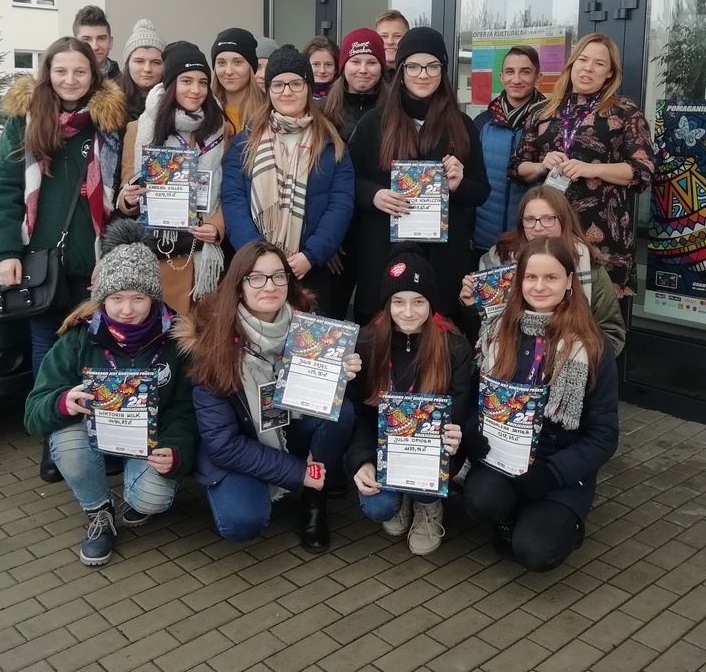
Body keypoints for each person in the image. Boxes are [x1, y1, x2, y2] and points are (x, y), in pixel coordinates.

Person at [0, 37, 126, 481]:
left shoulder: (109, 123)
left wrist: (114, 251)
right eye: (61, 70)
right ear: (47, 72)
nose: (70, 79)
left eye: (80, 71)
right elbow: (4, 189)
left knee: (97, 353)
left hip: (95, 261)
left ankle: (103, 440)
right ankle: (53, 442)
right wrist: (6, 251)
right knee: (48, 355)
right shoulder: (25, 120)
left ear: (93, 75)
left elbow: (121, 194)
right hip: (39, 263)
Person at [23, 220, 195, 566]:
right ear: (102, 298)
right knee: (66, 441)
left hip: (151, 439)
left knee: (153, 498)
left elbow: (185, 409)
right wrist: (62, 402)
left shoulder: (178, 340)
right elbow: (33, 412)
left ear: (153, 297)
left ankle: (135, 492)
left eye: (138, 298)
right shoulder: (78, 338)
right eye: (116, 298)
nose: (127, 309)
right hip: (90, 436)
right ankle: (99, 511)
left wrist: (177, 450)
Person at [175, 242, 360, 552]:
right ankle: (282, 479)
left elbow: (324, 403)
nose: (270, 286)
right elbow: (223, 445)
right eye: (257, 278)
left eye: (278, 276)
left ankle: (314, 501)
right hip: (238, 446)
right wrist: (299, 472)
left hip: (287, 428)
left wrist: (340, 377)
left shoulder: (311, 329)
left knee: (342, 412)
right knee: (242, 521)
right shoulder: (213, 343)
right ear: (239, 285)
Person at [463, 237, 619, 573]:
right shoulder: (497, 332)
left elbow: (604, 435)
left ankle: (558, 522)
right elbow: (479, 401)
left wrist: (553, 473)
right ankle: (512, 512)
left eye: (551, 277)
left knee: (536, 551)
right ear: (519, 281)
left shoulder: (592, 346)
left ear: (569, 282)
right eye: (531, 277)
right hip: (504, 456)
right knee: (479, 501)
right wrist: (473, 430)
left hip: (557, 464)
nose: (539, 286)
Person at [349, 27, 490, 327]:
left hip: (443, 254)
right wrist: (374, 195)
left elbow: (481, 191)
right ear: (401, 70)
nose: (422, 75)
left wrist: (459, 185)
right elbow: (350, 181)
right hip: (384, 247)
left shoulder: (462, 124)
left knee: (440, 334)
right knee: (384, 330)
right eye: (413, 66)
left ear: (443, 70)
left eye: (432, 66)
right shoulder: (374, 122)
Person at [509, 33, 655, 298]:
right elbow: (517, 168)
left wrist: (593, 169)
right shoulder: (542, 111)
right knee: (545, 302)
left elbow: (643, 169)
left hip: (602, 235)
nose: (588, 68)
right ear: (572, 64)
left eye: (599, 63)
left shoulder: (624, 112)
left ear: (610, 72)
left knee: (599, 314)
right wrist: (541, 165)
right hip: (547, 231)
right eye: (583, 60)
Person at [345, 251, 471, 556]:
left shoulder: (454, 346)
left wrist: (453, 437)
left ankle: (428, 504)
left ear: (431, 303)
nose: (409, 312)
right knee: (379, 507)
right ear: (387, 304)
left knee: (429, 474)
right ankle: (399, 496)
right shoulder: (366, 342)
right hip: (384, 447)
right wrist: (363, 460)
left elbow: (457, 408)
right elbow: (359, 412)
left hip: (430, 449)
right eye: (398, 302)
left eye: (419, 301)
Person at [222, 45, 354, 310]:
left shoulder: (331, 144)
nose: (287, 92)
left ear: (308, 88)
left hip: (308, 268)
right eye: (278, 85)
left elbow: (341, 204)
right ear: (268, 90)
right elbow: (233, 199)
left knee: (307, 334)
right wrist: (258, 256)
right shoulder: (245, 142)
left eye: (295, 83)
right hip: (255, 270)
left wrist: (311, 254)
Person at [117, 41, 227, 315]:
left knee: (196, 331)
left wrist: (216, 226)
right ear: (169, 85)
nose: (196, 90)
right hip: (157, 251)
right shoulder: (138, 129)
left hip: (200, 250)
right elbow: (126, 189)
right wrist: (128, 198)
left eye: (203, 82)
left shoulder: (220, 129)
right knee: (160, 329)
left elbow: (231, 191)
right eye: (186, 81)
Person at [461, 186, 625, 355]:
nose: (538, 227)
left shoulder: (590, 268)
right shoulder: (498, 261)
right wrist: (472, 306)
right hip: (510, 362)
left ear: (563, 220)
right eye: (530, 219)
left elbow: (612, 334)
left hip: (571, 360)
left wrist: (578, 360)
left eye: (548, 218)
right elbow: (481, 335)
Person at [321, 28, 388, 318]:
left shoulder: (395, 112)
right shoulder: (322, 113)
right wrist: (325, 239)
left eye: (371, 62)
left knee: (374, 316)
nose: (363, 69)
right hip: (335, 235)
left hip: (379, 228)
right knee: (330, 316)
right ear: (343, 65)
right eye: (355, 61)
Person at [472, 46, 547, 258]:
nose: (516, 79)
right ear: (501, 77)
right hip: (484, 241)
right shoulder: (482, 123)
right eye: (510, 72)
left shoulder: (550, 123)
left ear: (538, 77)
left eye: (525, 72)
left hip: (533, 242)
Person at [210, 27, 267, 136]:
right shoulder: (203, 112)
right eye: (221, 63)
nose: (229, 71)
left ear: (251, 67)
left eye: (237, 62)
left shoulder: (267, 113)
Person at [117, 19, 167, 122]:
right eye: (139, 61)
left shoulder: (177, 101)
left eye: (156, 62)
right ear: (128, 64)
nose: (147, 69)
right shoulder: (110, 105)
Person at [73, 5, 119, 81]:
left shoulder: (125, 85)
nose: (95, 47)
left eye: (101, 38)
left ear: (110, 42)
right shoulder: (62, 83)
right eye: (86, 39)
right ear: (75, 44)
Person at [303, 36, 340, 101]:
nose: (322, 71)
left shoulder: (343, 97)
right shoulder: (296, 94)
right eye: (316, 64)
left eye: (328, 65)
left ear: (336, 68)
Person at [375, 10, 409, 78]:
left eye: (397, 36)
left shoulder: (416, 74)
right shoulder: (367, 75)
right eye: (384, 36)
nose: (390, 42)